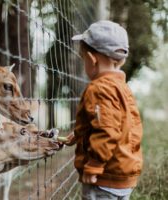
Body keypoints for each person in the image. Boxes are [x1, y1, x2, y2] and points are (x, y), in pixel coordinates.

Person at [63, 20, 143, 200]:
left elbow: (107, 130)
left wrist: (94, 165)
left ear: (92, 59)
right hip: (123, 173)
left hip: (103, 178)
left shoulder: (99, 88)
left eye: (84, 59)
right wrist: (78, 135)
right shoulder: (123, 89)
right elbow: (123, 126)